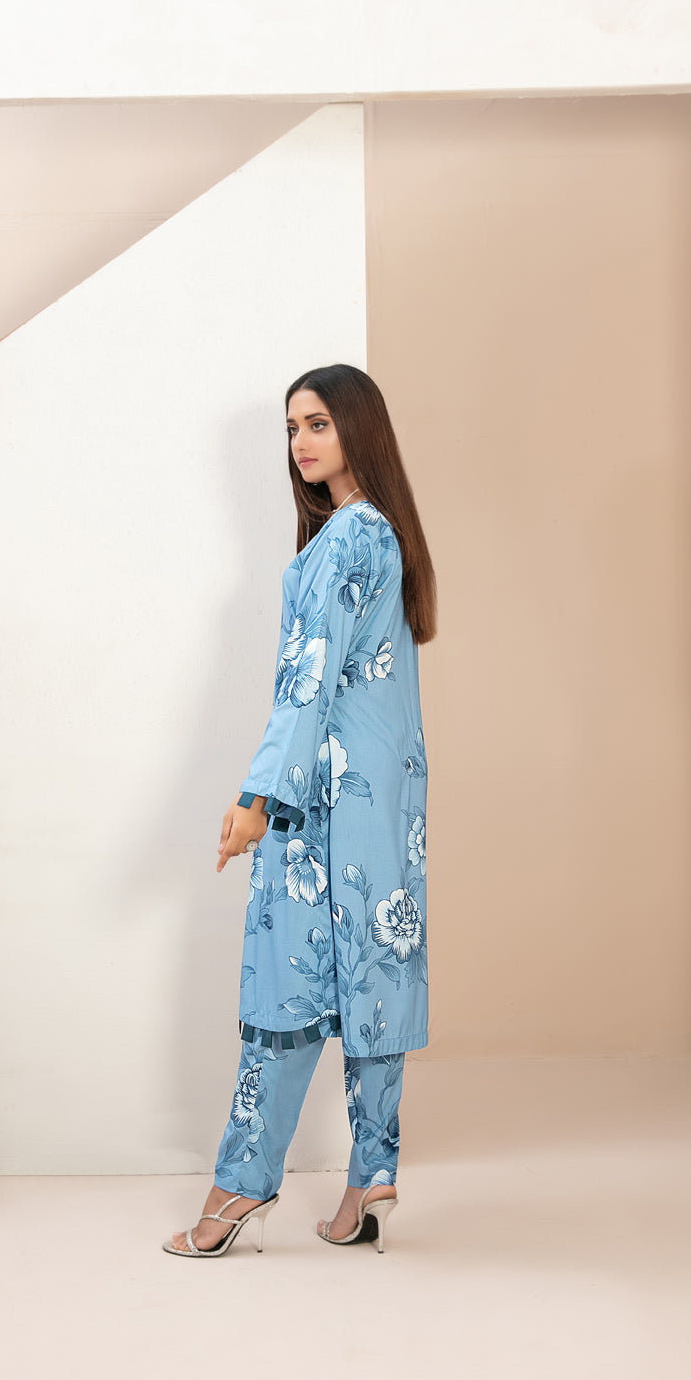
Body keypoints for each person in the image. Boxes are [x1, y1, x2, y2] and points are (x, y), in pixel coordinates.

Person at [163, 364, 437, 1258]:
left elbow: (305, 684)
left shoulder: (345, 538)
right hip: (385, 805)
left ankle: (239, 1189)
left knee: (287, 987)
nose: (301, 442)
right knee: (372, 977)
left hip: (320, 801)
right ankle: (370, 1176)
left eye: (317, 422)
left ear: (359, 427)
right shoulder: (383, 533)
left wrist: (257, 799)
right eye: (292, 428)